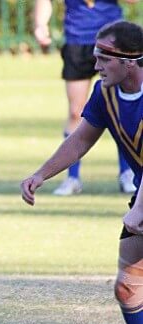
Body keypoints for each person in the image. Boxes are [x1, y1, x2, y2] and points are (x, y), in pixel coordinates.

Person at [20, 20, 143, 324]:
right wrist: (41, 174)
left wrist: (139, 210)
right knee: (128, 287)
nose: (95, 62)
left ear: (132, 61)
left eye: (104, 55)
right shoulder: (105, 93)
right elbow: (81, 139)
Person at [33, 0, 138, 196]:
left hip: (114, 45)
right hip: (77, 41)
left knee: (121, 108)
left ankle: (127, 173)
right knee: (76, 111)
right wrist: (40, 25)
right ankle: (72, 178)